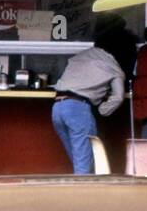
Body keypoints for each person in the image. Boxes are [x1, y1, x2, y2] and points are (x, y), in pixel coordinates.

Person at [51, 15, 134, 174]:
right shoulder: (115, 66)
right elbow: (117, 97)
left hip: (57, 108)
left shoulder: (79, 56)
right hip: (78, 109)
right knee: (84, 166)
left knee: (78, 160)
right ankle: (83, 198)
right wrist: (102, 110)